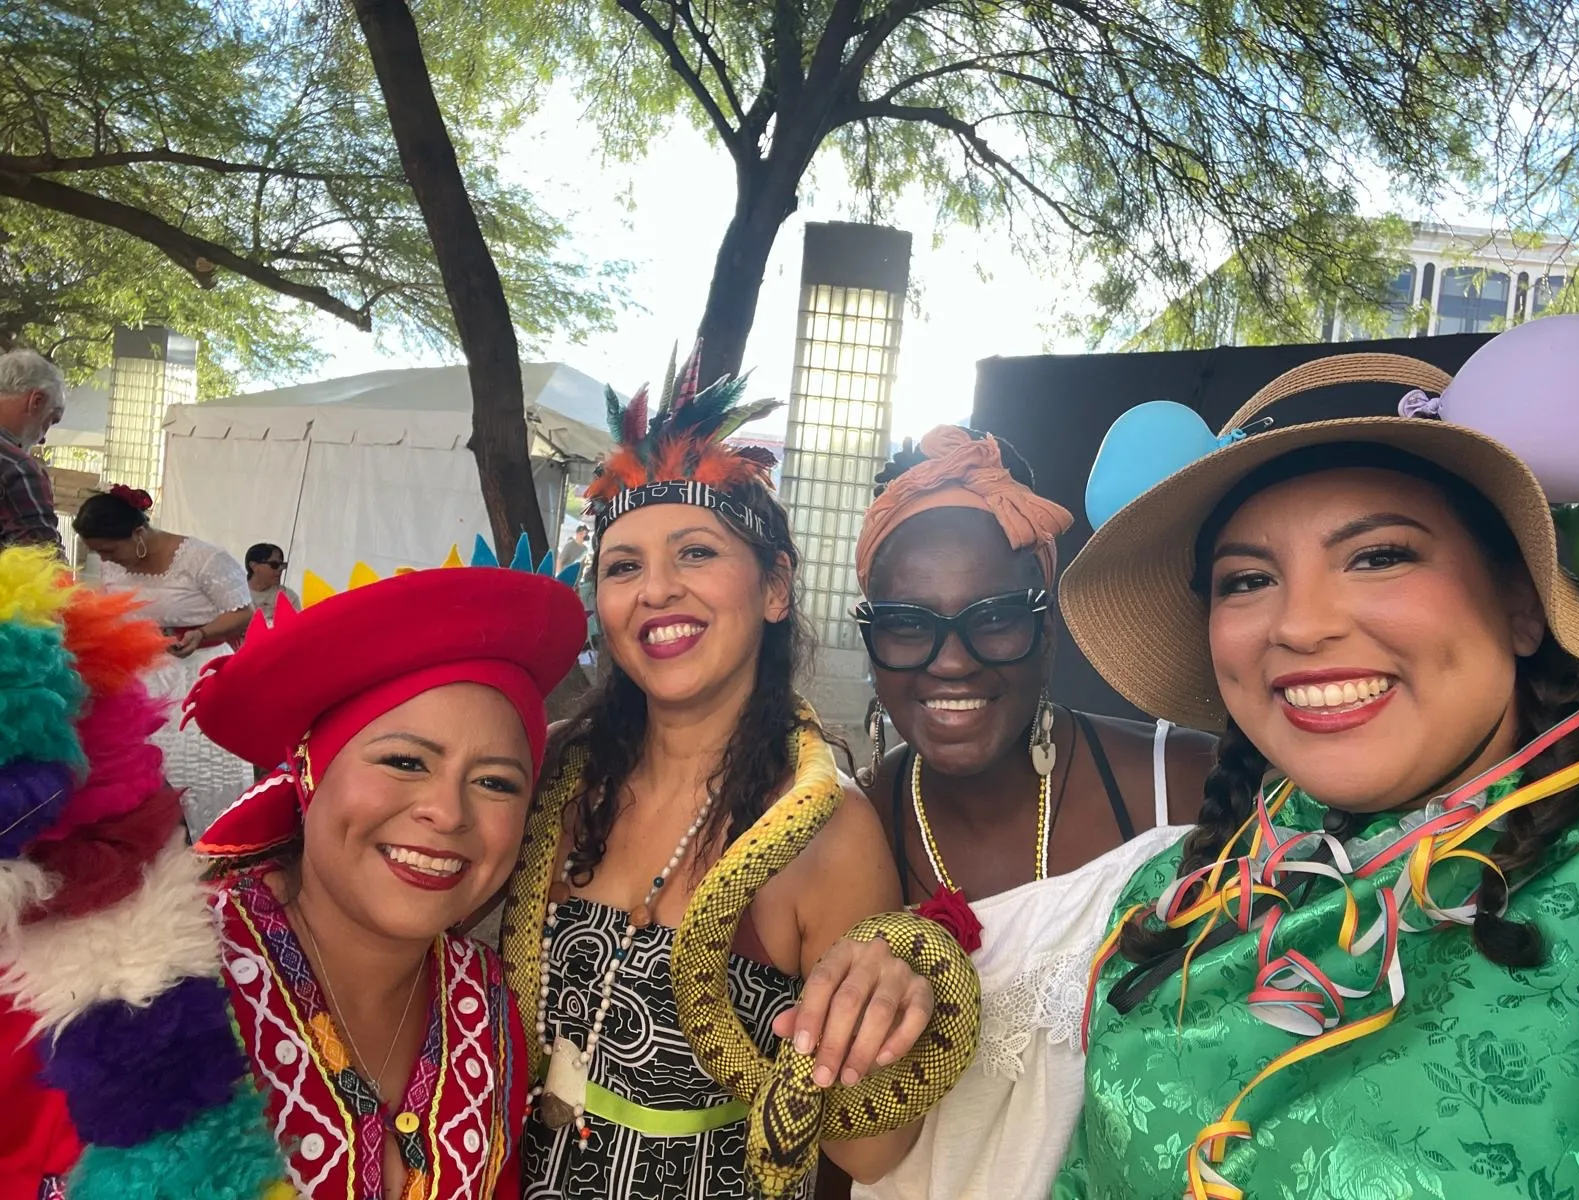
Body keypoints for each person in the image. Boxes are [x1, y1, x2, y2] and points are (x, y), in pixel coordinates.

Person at [1052, 352, 1579, 1199]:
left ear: (1524, 604)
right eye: (1248, 580)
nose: (1300, 626)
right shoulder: (1177, 897)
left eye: (1379, 556)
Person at [504, 353, 975, 1200]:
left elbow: (869, 1155)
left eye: (694, 552)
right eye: (622, 567)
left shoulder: (826, 832)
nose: (656, 591)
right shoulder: (554, 779)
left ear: (775, 589)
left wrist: (911, 971)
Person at [2, 548, 587, 1200]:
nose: (448, 812)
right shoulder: (128, 975)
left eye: (495, 782)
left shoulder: (487, 1008)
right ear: (308, 773)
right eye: (405, 762)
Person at [840, 426, 1214, 1200]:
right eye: (908, 625)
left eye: (996, 615)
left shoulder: (1181, 782)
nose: (951, 660)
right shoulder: (850, 833)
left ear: (1047, 627)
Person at [72, 486, 255, 838]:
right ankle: (153, 838)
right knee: (143, 758)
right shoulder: (112, 566)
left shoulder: (203, 559)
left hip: (199, 673)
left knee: (196, 764)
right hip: (143, 672)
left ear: (138, 533)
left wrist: (201, 633)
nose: (106, 561)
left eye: (110, 550)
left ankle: (211, 839)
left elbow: (242, 613)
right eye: (98, 553)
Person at [0, 348, 67, 551]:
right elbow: (42, 560)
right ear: (36, 401)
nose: (44, 438)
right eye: (51, 420)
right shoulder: (17, 468)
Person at [244, 541, 299, 624]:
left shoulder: (289, 597)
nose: (280, 569)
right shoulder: (235, 594)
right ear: (253, 566)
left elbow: (296, 628)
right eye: (274, 565)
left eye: (282, 565)